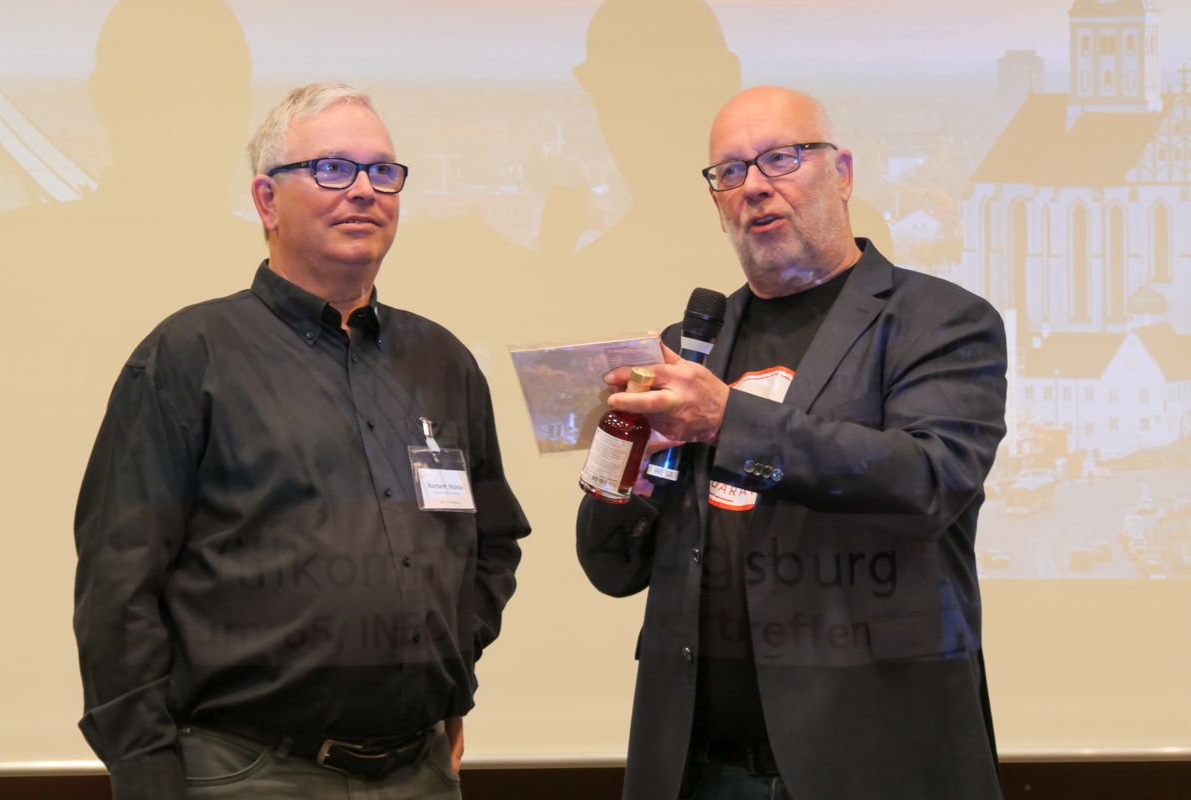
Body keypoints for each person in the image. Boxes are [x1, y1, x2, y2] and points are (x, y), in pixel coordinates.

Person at [73, 83, 530, 800]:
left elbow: (492, 542)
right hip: (247, 772)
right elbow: (117, 587)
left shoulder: (443, 362)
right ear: (266, 200)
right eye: (332, 169)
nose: (364, 191)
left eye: (383, 171)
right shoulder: (189, 357)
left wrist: (445, 665)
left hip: (419, 774)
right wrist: (146, 775)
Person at [576, 86, 1007, 800]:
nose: (753, 186)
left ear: (842, 174)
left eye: (780, 158)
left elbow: (928, 480)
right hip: (696, 769)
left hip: (874, 766)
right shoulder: (691, 348)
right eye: (730, 171)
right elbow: (612, 567)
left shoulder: (940, 321)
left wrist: (726, 421)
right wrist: (623, 467)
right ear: (717, 203)